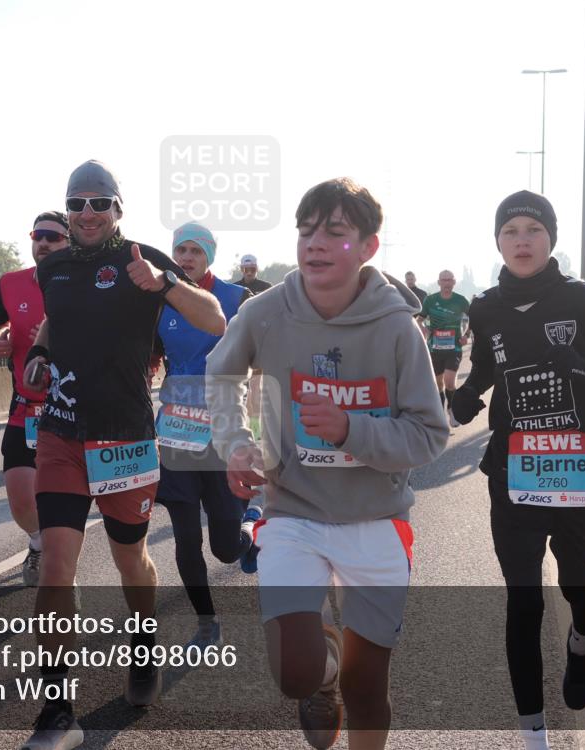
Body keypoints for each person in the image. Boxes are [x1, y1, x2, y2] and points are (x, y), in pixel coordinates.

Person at [207, 177, 448, 750]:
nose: (315, 243)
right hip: (293, 510)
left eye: (334, 232)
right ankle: (324, 671)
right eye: (306, 231)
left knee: (370, 687)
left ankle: (347, 676)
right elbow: (219, 377)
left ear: (368, 247)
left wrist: (349, 428)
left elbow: (429, 434)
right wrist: (235, 442)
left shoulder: (397, 327)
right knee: (294, 674)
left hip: (376, 518)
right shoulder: (265, 312)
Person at [20, 160, 226, 750]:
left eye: (99, 202)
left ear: (117, 209)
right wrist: (38, 352)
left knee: (129, 560)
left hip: (125, 436)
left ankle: (143, 646)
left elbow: (213, 320)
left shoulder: (144, 258)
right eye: (77, 203)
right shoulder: (52, 266)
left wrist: (163, 285)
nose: (87, 213)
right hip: (62, 430)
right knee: (57, 563)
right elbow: (55, 326)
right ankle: (57, 707)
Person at [451, 191, 585, 750]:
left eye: (532, 229)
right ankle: (532, 733)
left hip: (574, 467)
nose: (520, 239)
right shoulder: (484, 307)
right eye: (509, 229)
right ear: (497, 241)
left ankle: (583, 639)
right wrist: (468, 393)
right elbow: (489, 366)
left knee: (575, 583)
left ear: (550, 239)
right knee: (523, 598)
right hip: (511, 470)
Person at [154, 221, 259, 650]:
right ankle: (206, 621)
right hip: (176, 431)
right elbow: (147, 351)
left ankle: (248, 526)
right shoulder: (161, 303)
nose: (186, 259)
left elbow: (262, 358)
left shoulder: (237, 299)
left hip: (221, 430)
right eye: (181, 251)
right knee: (185, 538)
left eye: (195, 251)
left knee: (225, 549)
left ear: (210, 256)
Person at [0, 211, 70, 587]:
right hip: (25, 407)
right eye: (38, 235)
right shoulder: (10, 283)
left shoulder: (85, 283)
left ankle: (61, 574)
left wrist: (58, 336)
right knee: (21, 497)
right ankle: (38, 542)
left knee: (65, 503)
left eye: (53, 237)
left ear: (68, 242)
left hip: (73, 409)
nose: (44, 243)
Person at [420, 270, 470, 426]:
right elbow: (419, 319)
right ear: (439, 282)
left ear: (454, 282)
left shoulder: (461, 300)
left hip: (454, 348)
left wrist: (466, 335)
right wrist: (424, 331)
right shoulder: (430, 300)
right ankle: (440, 414)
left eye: (449, 280)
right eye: (444, 280)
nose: (447, 283)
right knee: (438, 384)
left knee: (449, 381)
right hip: (435, 349)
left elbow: (473, 318)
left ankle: (452, 410)